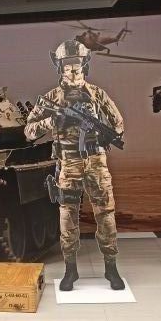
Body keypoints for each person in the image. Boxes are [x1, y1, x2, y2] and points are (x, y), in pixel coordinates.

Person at [25, 40, 125, 291]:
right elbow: (29, 131)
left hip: (96, 162)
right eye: (67, 65)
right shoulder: (52, 98)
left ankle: (111, 267)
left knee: (106, 214)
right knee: (68, 216)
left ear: (85, 65)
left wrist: (102, 133)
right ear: (59, 67)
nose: (72, 70)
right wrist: (53, 120)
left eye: (76, 64)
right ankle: (70, 270)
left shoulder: (97, 94)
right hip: (68, 163)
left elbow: (118, 124)